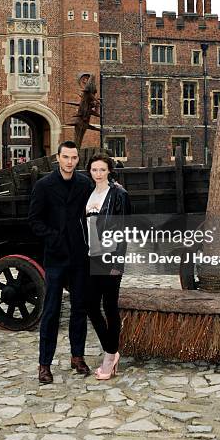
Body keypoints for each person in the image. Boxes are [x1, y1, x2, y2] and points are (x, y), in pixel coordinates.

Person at [28, 141, 93, 384]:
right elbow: (34, 220)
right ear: (58, 157)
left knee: (79, 308)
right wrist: (53, 238)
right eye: (65, 157)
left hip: (79, 256)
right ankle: (44, 365)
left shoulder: (85, 184)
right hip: (55, 257)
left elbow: (94, 213)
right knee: (51, 311)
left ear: (77, 160)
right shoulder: (44, 186)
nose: (69, 162)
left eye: (74, 158)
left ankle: (78, 357)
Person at [85, 153, 131, 380]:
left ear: (109, 171)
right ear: (90, 171)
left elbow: (124, 230)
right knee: (91, 305)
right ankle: (111, 350)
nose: (99, 174)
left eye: (102, 170)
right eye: (94, 170)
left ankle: (109, 357)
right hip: (91, 257)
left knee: (109, 306)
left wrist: (117, 262)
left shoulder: (119, 195)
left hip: (110, 258)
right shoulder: (89, 193)